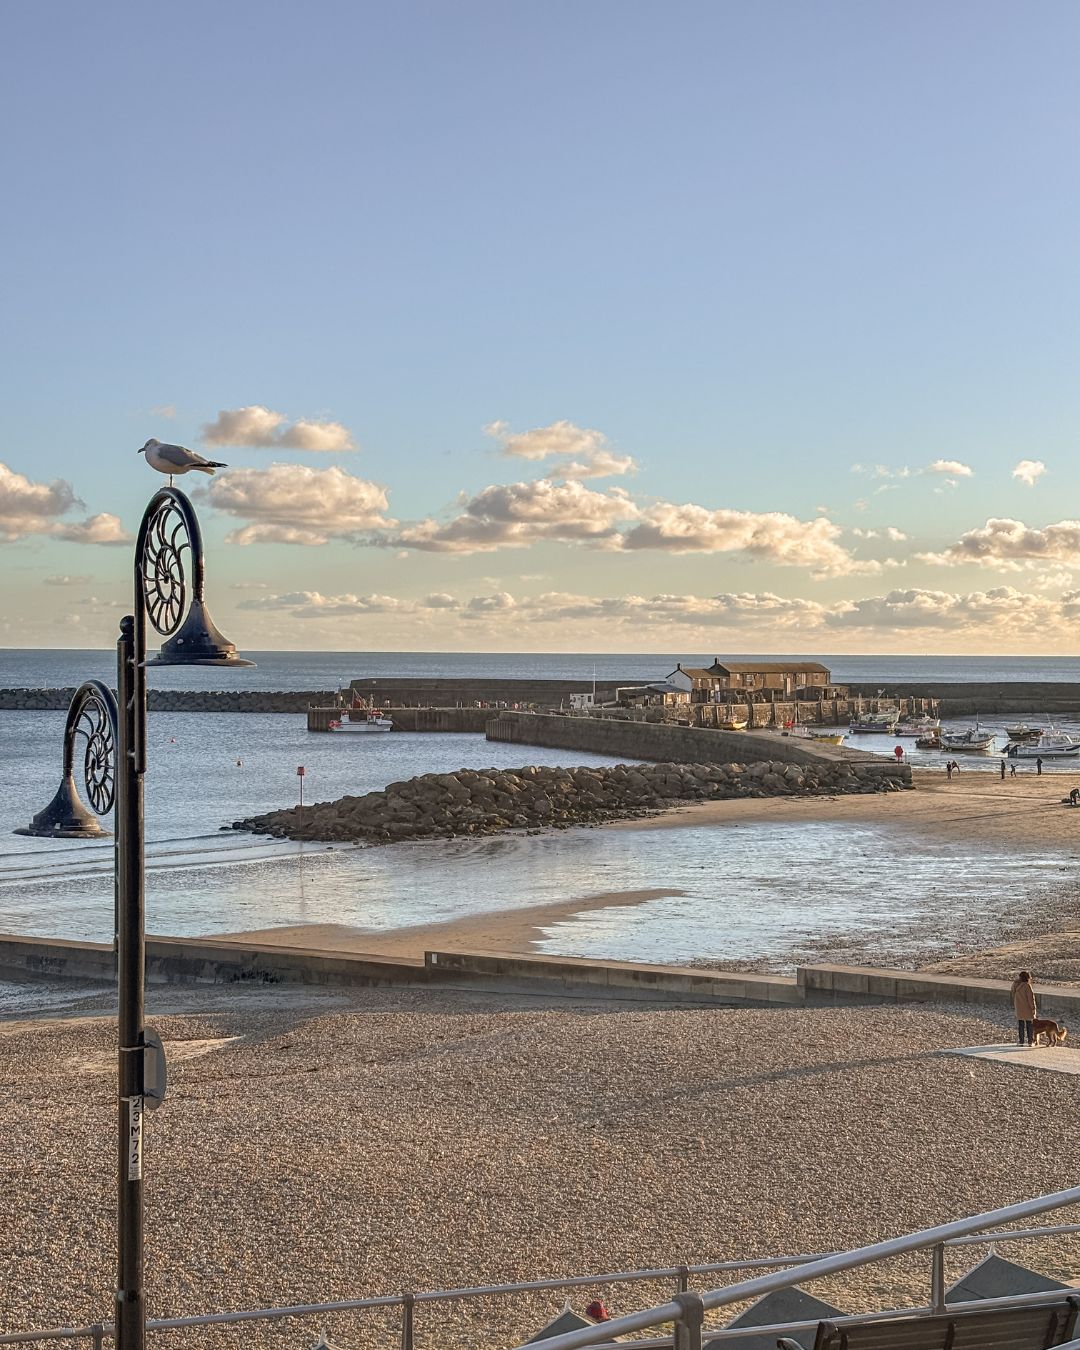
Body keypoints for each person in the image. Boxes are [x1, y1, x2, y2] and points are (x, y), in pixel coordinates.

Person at [1011, 970, 1037, 1047]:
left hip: (1019, 1008)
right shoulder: (1027, 986)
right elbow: (1031, 999)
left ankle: (1021, 1041)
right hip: (1027, 1008)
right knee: (1029, 1025)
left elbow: (1012, 993)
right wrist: (1033, 1009)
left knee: (1021, 1025)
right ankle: (1030, 1041)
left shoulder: (1016, 985)